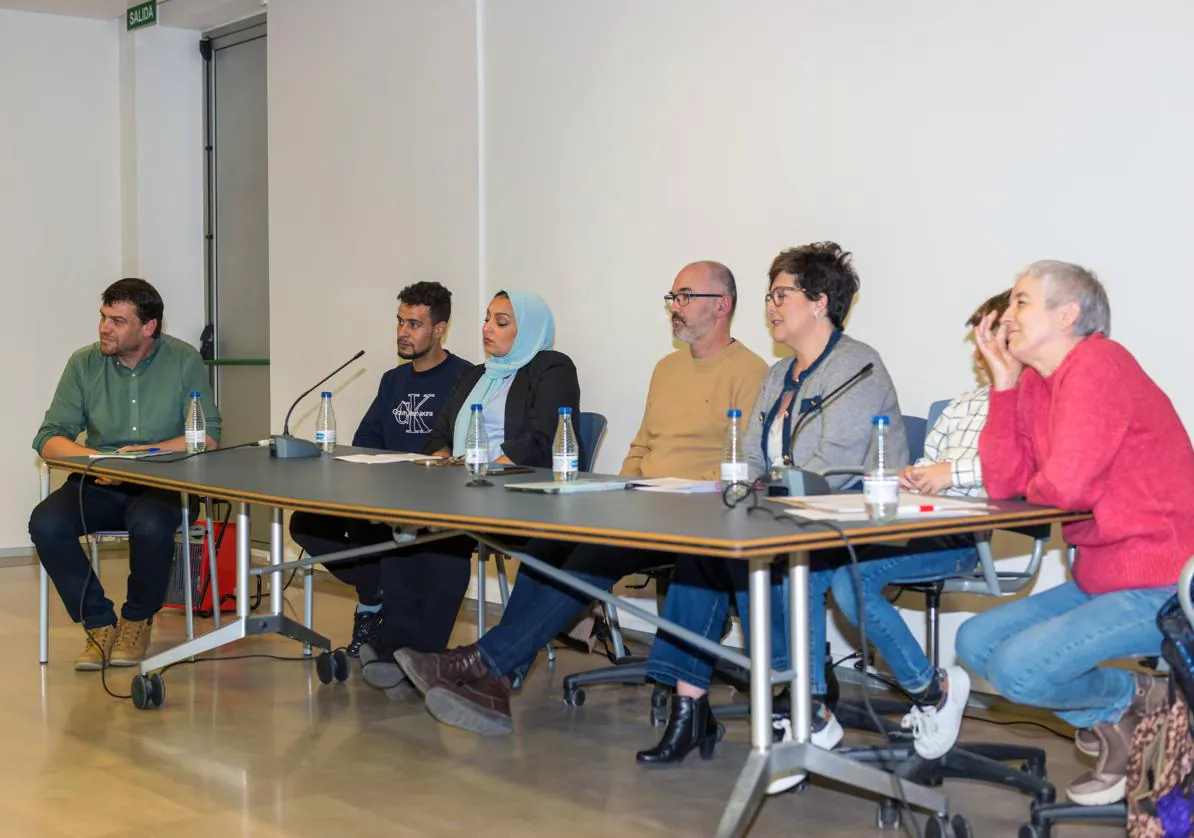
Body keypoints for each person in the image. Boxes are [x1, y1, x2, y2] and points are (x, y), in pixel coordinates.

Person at [390, 260, 768, 735]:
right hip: (642, 505)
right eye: (672, 297)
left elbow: (745, 465)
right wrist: (624, 489)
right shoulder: (667, 368)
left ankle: (477, 663)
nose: (675, 306)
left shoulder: (751, 372)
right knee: (550, 541)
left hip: (695, 515)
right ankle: (496, 680)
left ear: (722, 306)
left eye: (685, 297)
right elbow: (642, 446)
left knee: (592, 557)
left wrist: (670, 495)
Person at [639, 243, 906, 793]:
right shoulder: (780, 374)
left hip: (852, 521)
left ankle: (804, 705)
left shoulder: (857, 366)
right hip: (787, 513)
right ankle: (690, 707)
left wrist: (759, 499)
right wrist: (745, 494)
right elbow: (750, 455)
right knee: (705, 550)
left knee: (753, 556)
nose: (770, 306)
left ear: (820, 302)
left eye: (781, 295)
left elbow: (831, 470)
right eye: (769, 296)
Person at [956, 260, 1194, 807]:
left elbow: (1066, 489)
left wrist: (1042, 483)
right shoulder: (1036, 383)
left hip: (1163, 585)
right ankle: (1125, 714)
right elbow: (1006, 484)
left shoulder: (1098, 364)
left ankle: (1132, 703)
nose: (1005, 316)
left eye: (1020, 302)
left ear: (1068, 315)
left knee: (1017, 669)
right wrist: (1004, 385)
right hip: (1100, 578)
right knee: (975, 642)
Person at [358, 289, 580, 699]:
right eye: (486, 318)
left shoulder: (551, 367)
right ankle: (398, 651)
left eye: (501, 321)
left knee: (444, 538)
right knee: (406, 526)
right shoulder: (475, 375)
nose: (487, 328)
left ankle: (417, 658)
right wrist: (443, 463)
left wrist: (486, 471)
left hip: (515, 492)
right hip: (461, 486)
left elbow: (542, 439)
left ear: (528, 330)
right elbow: (439, 434)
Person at [827, 288, 1012, 762]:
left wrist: (951, 475)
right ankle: (820, 705)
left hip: (964, 536)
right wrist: (915, 475)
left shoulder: (1032, 406)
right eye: (979, 339)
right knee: (825, 563)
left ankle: (932, 690)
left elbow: (1018, 471)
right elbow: (929, 462)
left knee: (851, 580)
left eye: (992, 337)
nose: (982, 349)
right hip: (918, 523)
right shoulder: (961, 405)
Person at [29, 278, 221, 670]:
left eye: (117, 321)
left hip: (161, 481)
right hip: (97, 478)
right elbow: (49, 439)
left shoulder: (183, 360)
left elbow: (207, 437)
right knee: (45, 523)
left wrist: (147, 455)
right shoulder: (83, 363)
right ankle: (99, 623)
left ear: (148, 327)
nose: (104, 328)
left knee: (151, 525)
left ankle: (136, 620)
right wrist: (100, 460)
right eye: (103, 317)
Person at [289, 282, 471, 656]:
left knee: (388, 541)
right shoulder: (393, 380)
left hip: (432, 503)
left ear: (439, 329)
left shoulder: (465, 378)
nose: (403, 332)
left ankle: (373, 609)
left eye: (414, 324)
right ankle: (375, 594)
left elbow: (463, 447)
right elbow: (366, 439)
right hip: (382, 495)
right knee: (306, 523)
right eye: (400, 322)